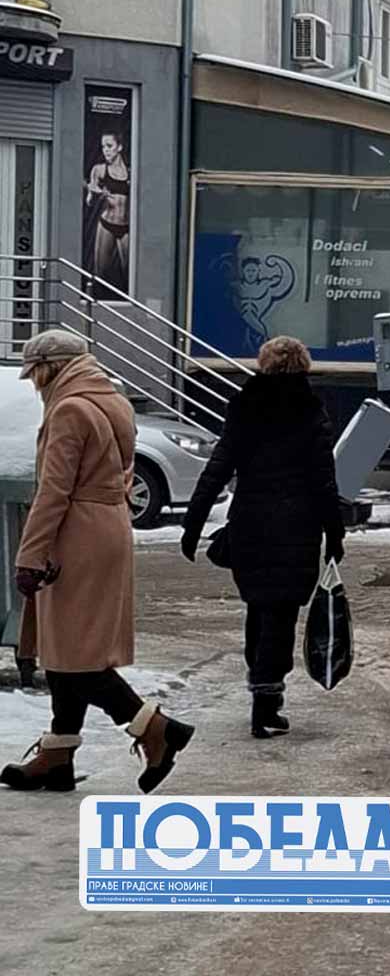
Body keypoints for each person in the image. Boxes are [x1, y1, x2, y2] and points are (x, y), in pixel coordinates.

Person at [3, 330, 194, 793]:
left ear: (49, 368)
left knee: (78, 656)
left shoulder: (69, 409)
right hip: (107, 525)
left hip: (75, 532)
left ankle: (154, 727)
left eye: (35, 374)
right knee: (67, 647)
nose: (34, 384)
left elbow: (54, 490)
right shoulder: (113, 401)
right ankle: (58, 754)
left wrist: (30, 554)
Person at [180, 336, 345, 739]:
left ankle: (262, 691)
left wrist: (193, 522)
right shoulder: (310, 410)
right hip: (297, 527)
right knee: (281, 614)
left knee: (258, 608)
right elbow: (324, 480)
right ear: (304, 367)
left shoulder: (246, 406)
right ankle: (267, 699)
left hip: (250, 524)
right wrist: (335, 532)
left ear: (264, 365)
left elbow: (218, 467)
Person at [82, 132, 131, 296]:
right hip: (107, 225)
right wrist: (95, 194)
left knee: (129, 272)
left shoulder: (130, 173)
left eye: (109, 146)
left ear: (119, 147)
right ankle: (95, 302)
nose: (106, 150)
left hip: (126, 227)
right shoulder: (99, 170)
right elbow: (89, 202)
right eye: (103, 147)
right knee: (100, 271)